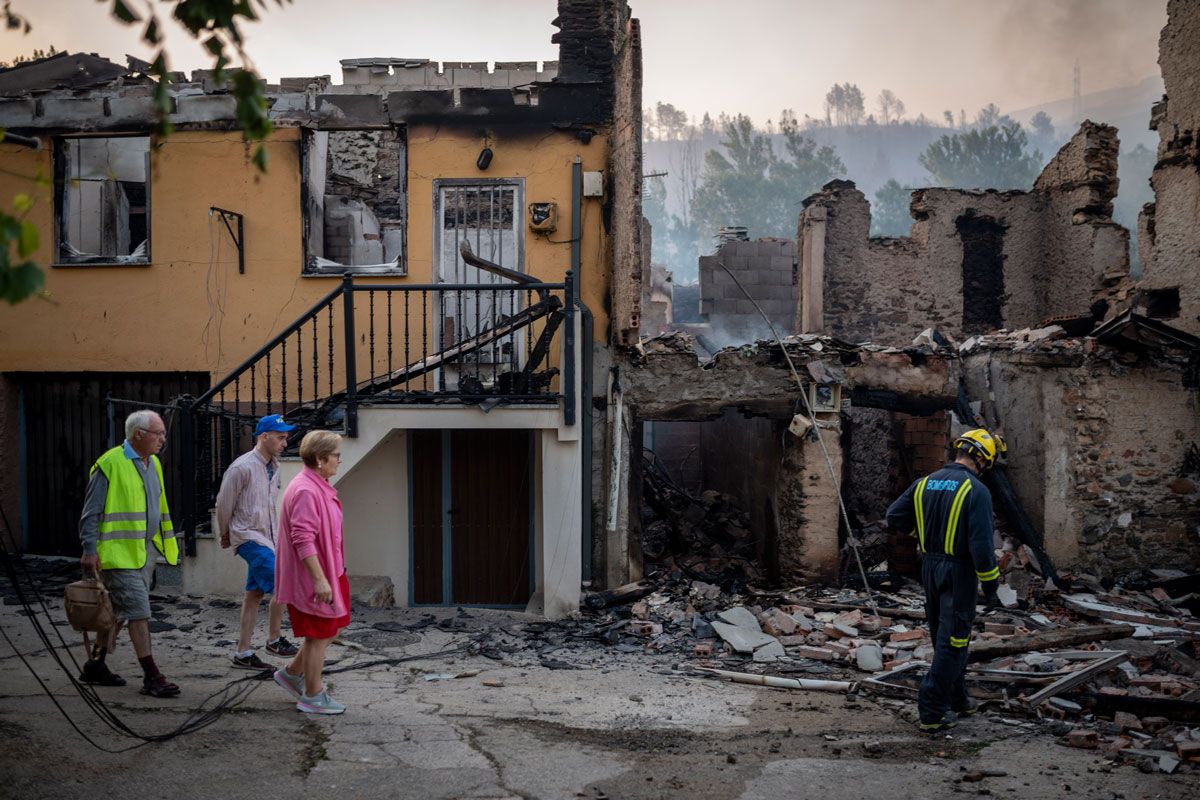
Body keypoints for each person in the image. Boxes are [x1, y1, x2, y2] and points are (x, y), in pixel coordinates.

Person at [886, 428, 1003, 733]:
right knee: (954, 641)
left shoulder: (924, 482)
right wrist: (991, 587)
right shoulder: (976, 491)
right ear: (983, 459)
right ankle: (932, 711)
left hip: (929, 568)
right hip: (958, 572)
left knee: (946, 639)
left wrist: (923, 536)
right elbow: (981, 547)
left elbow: (894, 517)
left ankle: (957, 697)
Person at [78, 410, 181, 698]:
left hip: (143, 552)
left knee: (118, 614)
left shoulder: (154, 463)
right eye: (157, 433)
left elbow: (157, 506)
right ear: (139, 435)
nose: (163, 438)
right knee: (139, 612)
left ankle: (95, 665)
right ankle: (152, 676)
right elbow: (91, 512)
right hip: (116, 555)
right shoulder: (110, 464)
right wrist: (89, 549)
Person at [272, 430, 349, 715]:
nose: (339, 461)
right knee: (318, 634)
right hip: (316, 576)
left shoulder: (317, 484)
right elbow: (302, 538)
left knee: (332, 627)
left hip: (331, 570)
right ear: (320, 459)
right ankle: (313, 695)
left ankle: (292, 674)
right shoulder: (306, 489)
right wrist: (319, 579)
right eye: (336, 456)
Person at [216, 414, 300, 670]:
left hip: (267, 538)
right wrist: (225, 533)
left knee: (254, 594)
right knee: (284, 584)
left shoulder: (274, 466)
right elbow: (223, 503)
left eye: (286, 437)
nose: (285, 443)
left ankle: (243, 653)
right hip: (248, 536)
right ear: (264, 437)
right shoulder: (242, 467)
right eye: (281, 437)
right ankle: (274, 639)